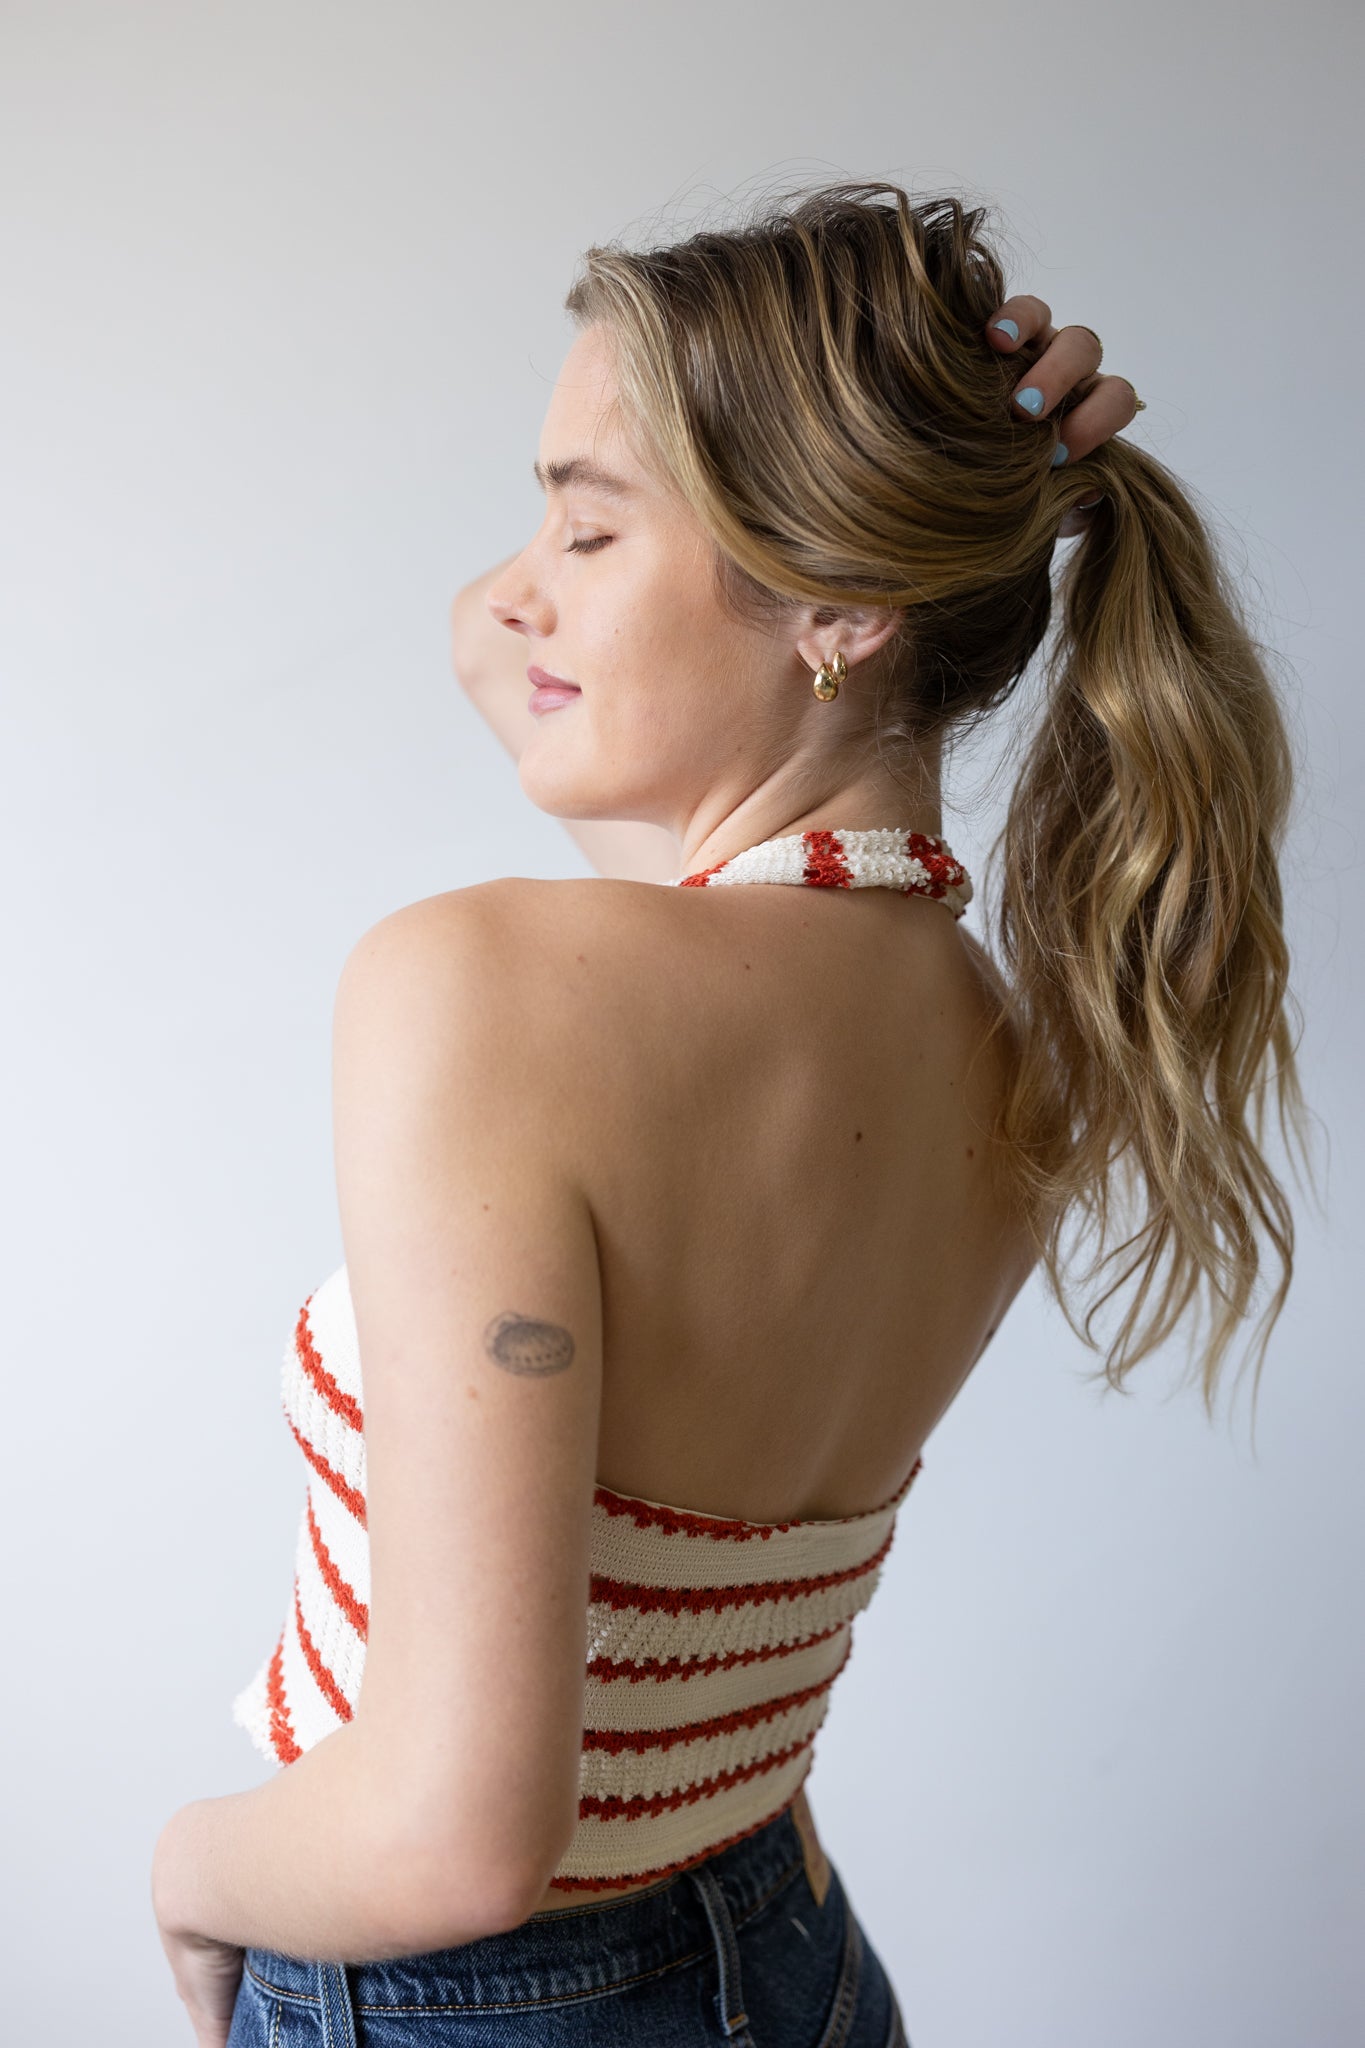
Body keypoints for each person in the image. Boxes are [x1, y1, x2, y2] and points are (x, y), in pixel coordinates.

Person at [152, 181, 1304, 2048]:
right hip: (787, 1955)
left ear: (840, 604)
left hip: (471, 1997)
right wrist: (965, 469)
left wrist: (187, 1874)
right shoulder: (1017, 1046)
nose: (515, 585)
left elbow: (457, 1837)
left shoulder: (481, 992)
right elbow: (534, 693)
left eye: (587, 527)